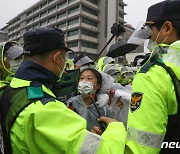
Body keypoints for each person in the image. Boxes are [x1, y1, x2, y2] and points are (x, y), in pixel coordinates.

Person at [0, 27, 126, 154]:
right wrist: (115, 127)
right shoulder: (45, 110)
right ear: (56, 58)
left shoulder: (11, 89)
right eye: (65, 57)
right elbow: (107, 151)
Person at [126, 0, 180, 153]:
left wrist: (114, 130)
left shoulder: (152, 76)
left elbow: (141, 148)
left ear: (167, 28)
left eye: (151, 32)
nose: (149, 39)